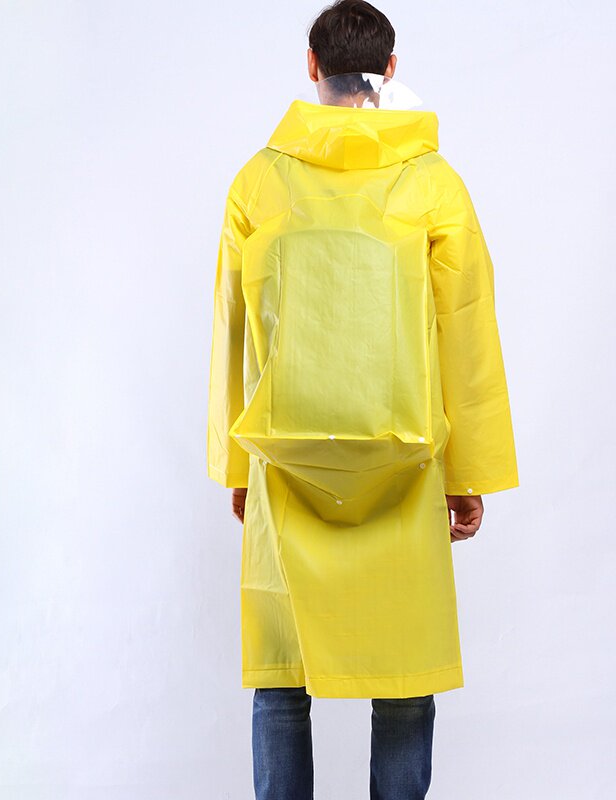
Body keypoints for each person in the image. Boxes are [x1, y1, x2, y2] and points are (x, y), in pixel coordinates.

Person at [206, 1, 519, 797]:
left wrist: (238, 464)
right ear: (391, 68)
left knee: (283, 679)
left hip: (285, 464)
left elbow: (233, 330)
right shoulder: (434, 184)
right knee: (404, 675)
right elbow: (466, 330)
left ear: (311, 65)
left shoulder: (258, 182)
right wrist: (467, 473)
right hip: (406, 468)